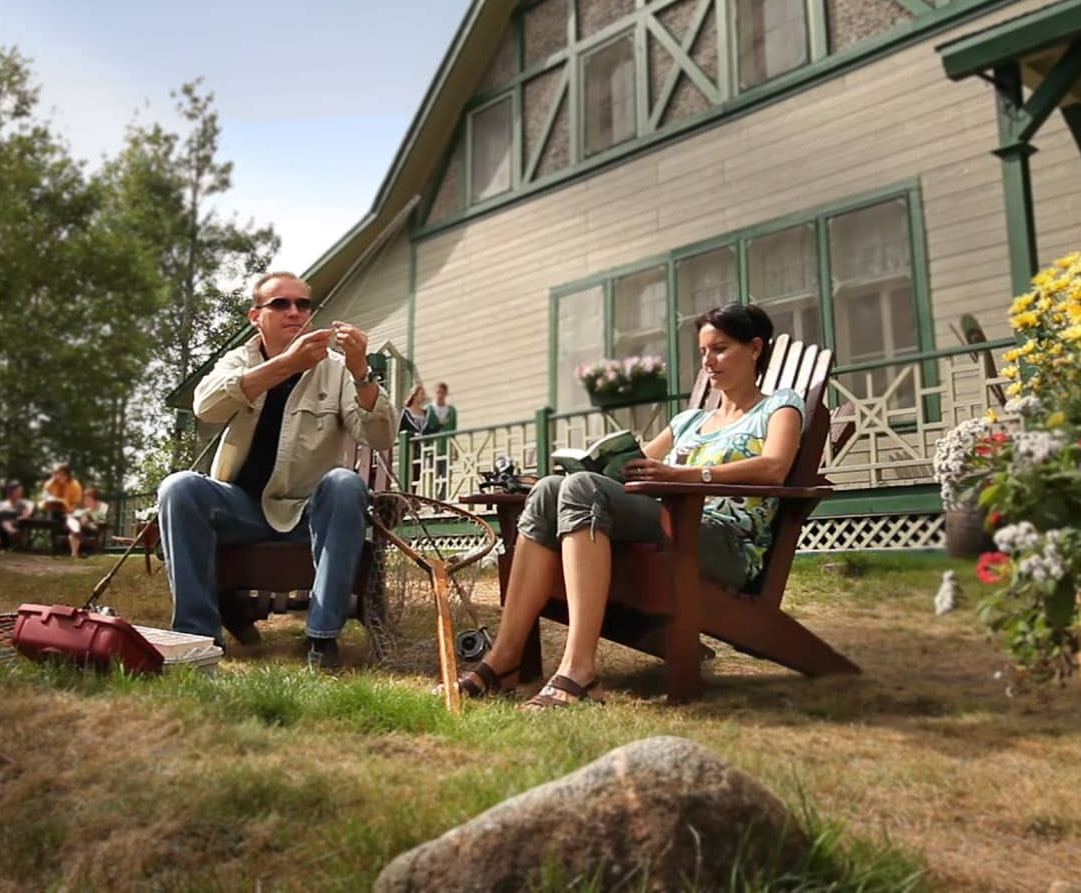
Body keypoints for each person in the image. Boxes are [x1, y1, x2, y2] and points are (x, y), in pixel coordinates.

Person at [454, 302, 804, 708]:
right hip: (668, 527)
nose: (708, 361)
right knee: (551, 488)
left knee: (582, 489)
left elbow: (775, 467)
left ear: (755, 348)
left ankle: (579, 669)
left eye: (720, 349)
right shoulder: (688, 421)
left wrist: (686, 476)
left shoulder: (779, 406)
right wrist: (608, 466)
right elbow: (638, 472)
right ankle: (504, 660)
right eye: (703, 352)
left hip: (722, 541)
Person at [156, 271, 397, 668]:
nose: (294, 312)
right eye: (281, 304)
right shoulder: (239, 360)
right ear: (256, 317)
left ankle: (322, 639)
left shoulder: (336, 369)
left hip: (307, 512)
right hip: (240, 509)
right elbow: (206, 407)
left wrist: (361, 373)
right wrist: (284, 365)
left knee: (344, 483)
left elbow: (381, 434)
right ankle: (197, 636)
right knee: (178, 487)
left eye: (303, 304)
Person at [0, 481, 34, 552]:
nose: (20, 493)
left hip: (15, 524)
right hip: (5, 529)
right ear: (10, 491)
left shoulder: (22, 505)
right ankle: (10, 531)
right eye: (18, 490)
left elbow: (26, 516)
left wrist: (21, 518)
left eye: (21, 491)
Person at [425, 382, 457, 498]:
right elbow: (425, 428)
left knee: (445, 476)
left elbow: (453, 430)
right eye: (438, 392)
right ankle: (433, 501)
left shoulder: (451, 411)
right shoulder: (428, 409)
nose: (440, 395)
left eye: (442, 393)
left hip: (446, 448)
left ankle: (442, 499)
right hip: (431, 449)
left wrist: (455, 449)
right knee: (432, 476)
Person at [65, 487, 110, 558]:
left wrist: (90, 517)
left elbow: (101, 519)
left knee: (75, 529)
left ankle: (74, 553)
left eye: (88, 499)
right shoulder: (86, 509)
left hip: (94, 528)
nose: (86, 502)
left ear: (94, 499)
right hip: (83, 528)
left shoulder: (103, 507)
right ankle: (74, 553)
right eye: (85, 499)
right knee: (74, 527)